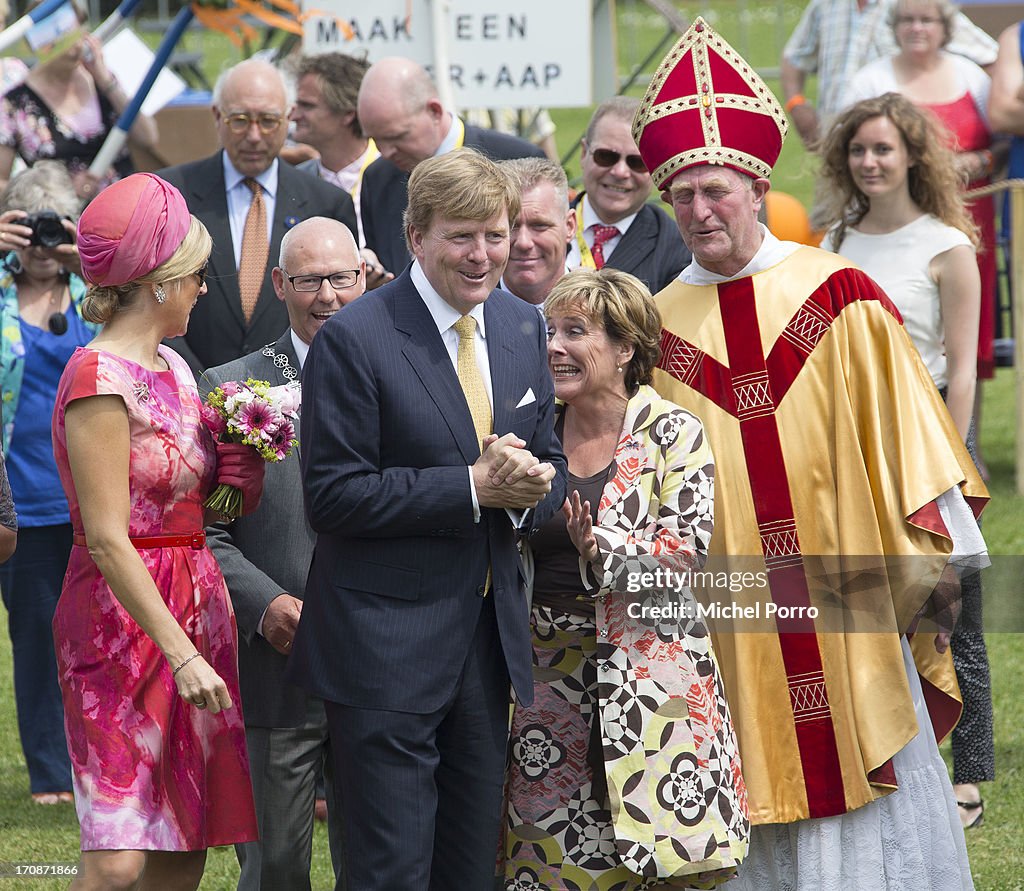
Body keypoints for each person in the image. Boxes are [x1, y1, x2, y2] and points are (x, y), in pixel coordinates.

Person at [634, 18, 986, 888]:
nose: (699, 211)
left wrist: (943, 574)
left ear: (756, 185)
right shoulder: (651, 323)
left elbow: (913, 443)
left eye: (715, 190)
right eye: (681, 195)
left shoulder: (841, 297)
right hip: (727, 611)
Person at [289, 148, 567, 890]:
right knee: (391, 872)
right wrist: (471, 488)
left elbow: (549, 461)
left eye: (497, 235)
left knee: (471, 868)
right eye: (462, 236)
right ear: (415, 236)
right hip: (383, 649)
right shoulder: (356, 338)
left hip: (485, 651)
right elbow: (334, 495)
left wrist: (533, 482)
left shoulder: (519, 326)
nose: (483, 255)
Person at [51, 173, 264, 890]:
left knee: (183, 844)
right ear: (160, 281)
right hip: (120, 621)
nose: (204, 288)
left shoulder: (174, 366)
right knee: (116, 859)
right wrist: (181, 655)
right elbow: (109, 537)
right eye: (198, 275)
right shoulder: (97, 377)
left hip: (199, 603)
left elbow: (194, 506)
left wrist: (236, 487)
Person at [502, 268, 747, 888]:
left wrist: (600, 546)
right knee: (547, 861)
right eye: (549, 331)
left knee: (662, 862)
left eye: (575, 332)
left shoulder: (673, 433)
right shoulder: (531, 432)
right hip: (545, 679)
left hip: (652, 679)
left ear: (625, 348)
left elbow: (684, 553)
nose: (554, 345)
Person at [820, 92, 993, 833]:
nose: (870, 161)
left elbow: (962, 367)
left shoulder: (948, 244)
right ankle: (881, 748)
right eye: (859, 149)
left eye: (884, 148)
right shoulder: (831, 241)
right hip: (852, 450)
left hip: (931, 448)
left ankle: (972, 771)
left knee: (957, 612)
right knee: (862, 606)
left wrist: (946, 465)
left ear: (913, 155)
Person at [200, 217, 364, 891]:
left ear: (365, 277)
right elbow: (208, 531)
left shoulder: (403, 371)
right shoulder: (235, 386)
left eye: (342, 278)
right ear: (278, 284)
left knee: (382, 862)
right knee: (276, 867)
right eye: (308, 280)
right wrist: (263, 603)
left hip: (377, 667)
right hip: (276, 667)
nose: (327, 295)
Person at [842, 0, 999, 427]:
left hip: (971, 211)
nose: (916, 27)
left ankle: (969, 439)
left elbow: (1001, 135)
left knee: (965, 341)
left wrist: (978, 162)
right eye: (907, 19)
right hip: (887, 214)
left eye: (926, 18)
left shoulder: (969, 74)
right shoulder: (871, 79)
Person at [157, 59, 357, 376]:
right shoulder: (172, 196)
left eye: (268, 121)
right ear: (216, 116)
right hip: (190, 394)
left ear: (289, 118)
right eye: (239, 120)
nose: (253, 135)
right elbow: (155, 301)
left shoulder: (327, 204)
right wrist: (204, 389)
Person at [0, 162, 98, 806]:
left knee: (97, 636)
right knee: (36, 637)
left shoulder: (94, 295)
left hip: (93, 496)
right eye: (29, 229)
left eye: (51, 228)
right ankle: (49, 770)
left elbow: (141, 327)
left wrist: (84, 258)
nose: (40, 246)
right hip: (23, 500)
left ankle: (102, 759)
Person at [356, 56, 545, 277]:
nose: (385, 152)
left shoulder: (515, 158)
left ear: (435, 111)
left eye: (397, 136)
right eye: (375, 139)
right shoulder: (378, 179)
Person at [0, 2, 158, 201]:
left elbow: (147, 137)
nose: (76, 48)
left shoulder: (100, 78)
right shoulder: (15, 104)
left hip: (127, 208)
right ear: (40, 43)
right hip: (66, 221)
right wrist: (54, 193)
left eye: (79, 34)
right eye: (65, 39)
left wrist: (106, 82)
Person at [568, 97, 691, 294]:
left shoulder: (678, 250)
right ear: (584, 153)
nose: (620, 172)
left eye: (637, 162)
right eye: (606, 156)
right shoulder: (538, 227)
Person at [288, 54, 378, 242]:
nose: (293, 115)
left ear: (347, 113)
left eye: (307, 106)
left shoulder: (397, 179)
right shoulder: (292, 184)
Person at [500, 157, 575, 309]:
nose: (523, 242)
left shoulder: (606, 313)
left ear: (569, 226)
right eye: (511, 226)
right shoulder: (467, 312)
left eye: (539, 225)